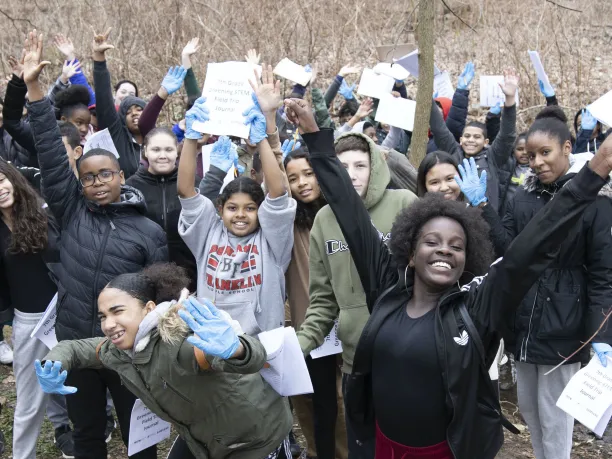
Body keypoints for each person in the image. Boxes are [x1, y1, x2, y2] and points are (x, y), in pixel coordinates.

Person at [283, 94, 612, 459]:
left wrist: (597, 168)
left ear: (468, 256)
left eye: (456, 246)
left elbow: (532, 248)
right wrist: (315, 135)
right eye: (432, 241)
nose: (444, 249)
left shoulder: (476, 307)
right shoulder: (386, 288)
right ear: (410, 249)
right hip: (381, 447)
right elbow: (348, 210)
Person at [22, 29, 168, 459]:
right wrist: (34, 91)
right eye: (88, 177)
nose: (98, 182)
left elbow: (157, 302)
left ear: (122, 176)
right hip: (77, 346)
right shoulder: (72, 209)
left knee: (140, 436)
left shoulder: (149, 232)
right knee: (86, 435)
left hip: (129, 352)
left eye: (106, 175)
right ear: (80, 184)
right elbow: (50, 151)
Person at [36, 263, 293, 459]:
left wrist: (237, 348)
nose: (108, 324)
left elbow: (248, 358)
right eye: (103, 316)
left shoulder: (180, 340)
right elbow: (77, 348)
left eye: (117, 311)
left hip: (256, 439)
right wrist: (55, 361)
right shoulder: (122, 350)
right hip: (204, 439)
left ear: (148, 309)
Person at [293, 97, 418, 457]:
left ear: (375, 167)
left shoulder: (404, 205)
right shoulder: (323, 222)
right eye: (342, 165)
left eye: (360, 165)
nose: (352, 173)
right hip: (354, 361)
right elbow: (323, 301)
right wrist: (298, 348)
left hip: (404, 357)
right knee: (364, 448)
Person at [489, 106, 612, 459]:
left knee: (555, 416)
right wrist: (484, 206)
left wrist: (601, 336)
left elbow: (604, 274)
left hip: (565, 326)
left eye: (546, 152)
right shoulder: (522, 197)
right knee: (529, 408)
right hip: (524, 322)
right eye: (530, 156)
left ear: (567, 148)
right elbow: (508, 251)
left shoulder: (595, 203)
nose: (538, 162)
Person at [178, 66, 296, 336]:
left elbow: (277, 193)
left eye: (250, 208)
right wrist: (191, 138)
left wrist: (262, 140)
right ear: (219, 210)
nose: (240, 215)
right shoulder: (207, 233)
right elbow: (186, 191)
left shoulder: (272, 240)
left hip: (262, 345)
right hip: (213, 342)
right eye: (232, 208)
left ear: (261, 212)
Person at [0, 160, 75, 458]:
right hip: (29, 321)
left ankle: (82, 442)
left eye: (2, 179)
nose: (0, 189)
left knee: (78, 386)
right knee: (30, 401)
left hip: (66, 309)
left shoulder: (43, 210)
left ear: (12, 178)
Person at [283, 145, 349, 459]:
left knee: (351, 396)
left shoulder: (344, 214)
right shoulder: (290, 223)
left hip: (349, 322)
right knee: (322, 402)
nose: (302, 183)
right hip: (314, 327)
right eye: (293, 178)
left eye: (308, 173)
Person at [428, 68, 519, 214]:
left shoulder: (493, 157)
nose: (471, 140)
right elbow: (439, 130)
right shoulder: (453, 152)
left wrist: (509, 99)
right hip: (457, 218)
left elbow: (507, 135)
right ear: (461, 139)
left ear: (486, 142)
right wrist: (429, 103)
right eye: (467, 136)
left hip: (487, 221)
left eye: (477, 137)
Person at [126, 127, 199, 290]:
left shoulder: (192, 183)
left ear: (177, 151)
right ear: (145, 151)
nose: (162, 156)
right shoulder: (131, 188)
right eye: (156, 149)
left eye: (168, 149)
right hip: (144, 275)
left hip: (190, 276)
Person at [92, 28, 146, 178]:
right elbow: (104, 100)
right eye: (128, 112)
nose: (134, 113)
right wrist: (99, 58)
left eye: (138, 109)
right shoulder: (118, 138)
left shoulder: (158, 139)